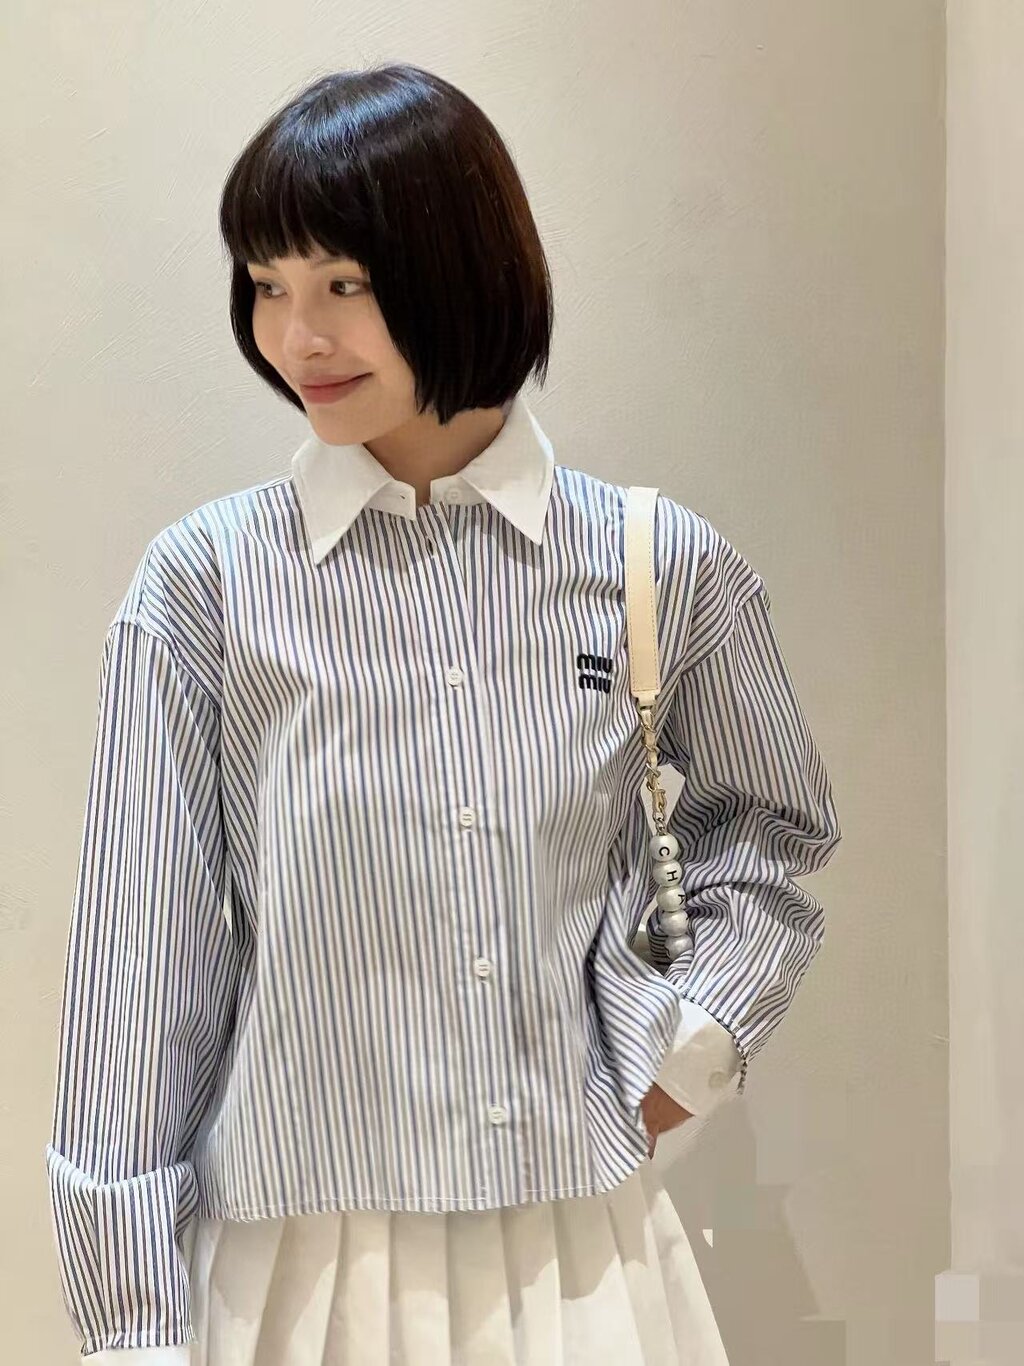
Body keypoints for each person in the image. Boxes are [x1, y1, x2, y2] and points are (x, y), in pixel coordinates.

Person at [44, 63, 842, 1366]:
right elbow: (141, 975)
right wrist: (132, 1324)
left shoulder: (656, 566)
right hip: (297, 1272)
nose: (296, 337)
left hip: (584, 1265)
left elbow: (771, 838)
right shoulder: (208, 587)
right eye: (266, 285)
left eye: (343, 285)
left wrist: (685, 1058)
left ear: (462, 267)